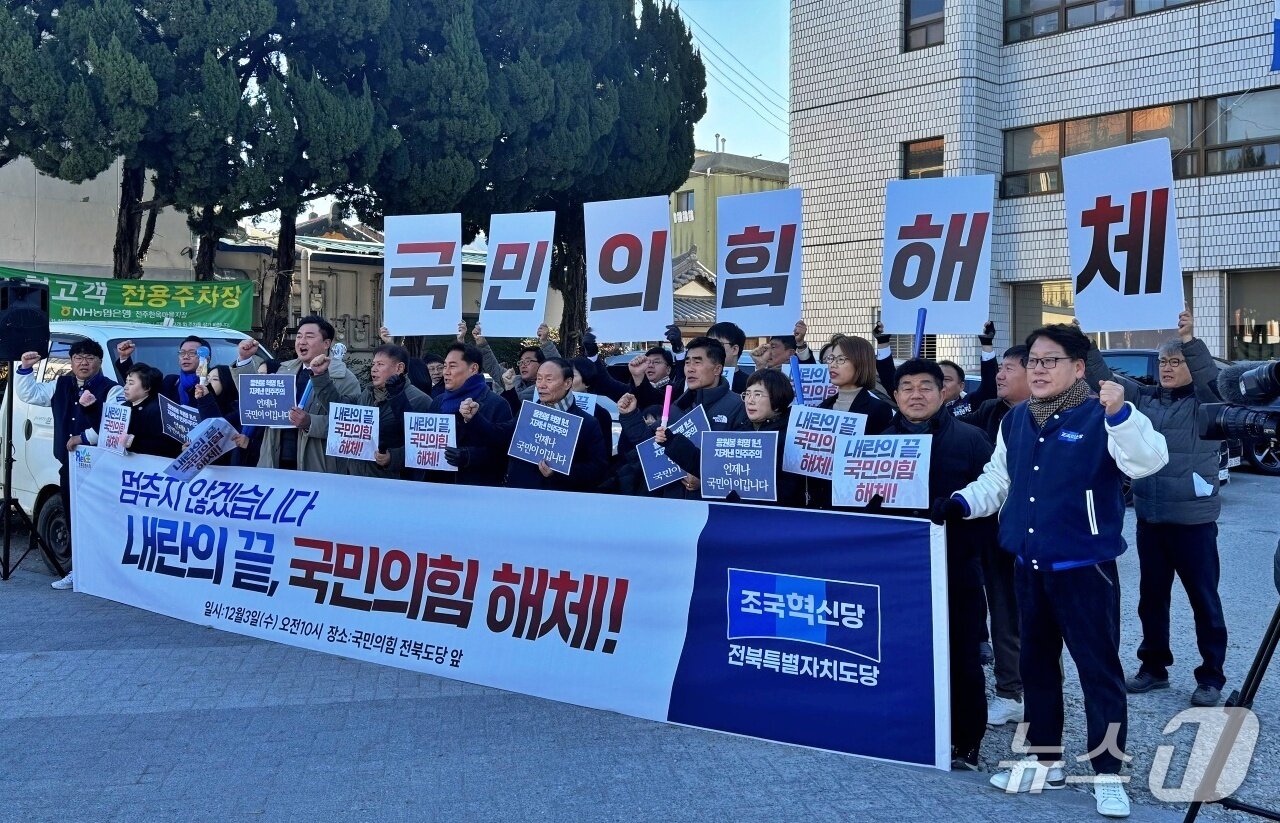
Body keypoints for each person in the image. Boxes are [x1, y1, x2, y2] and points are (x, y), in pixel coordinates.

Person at [938, 323, 1169, 819]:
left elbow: (1148, 461)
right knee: (1036, 669)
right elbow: (998, 480)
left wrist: (1121, 413)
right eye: (1032, 361)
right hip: (1028, 566)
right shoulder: (1016, 420)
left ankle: (1108, 772)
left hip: (1084, 569)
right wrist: (960, 503)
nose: (1038, 370)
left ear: (1078, 367)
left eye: (1050, 361)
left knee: (1098, 673)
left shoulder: (1104, 415)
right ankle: (1045, 759)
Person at [1086, 311, 1228, 708]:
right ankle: (1154, 669)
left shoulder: (1207, 403)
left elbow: (1213, 382)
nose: (1167, 368)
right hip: (1151, 519)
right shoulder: (1145, 399)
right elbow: (1105, 382)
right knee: (1151, 599)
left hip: (1194, 523)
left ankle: (1211, 676)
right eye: (1164, 362)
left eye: (1175, 362)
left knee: (1204, 601)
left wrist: (1190, 341)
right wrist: (1085, 344)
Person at [878, 359, 995, 770]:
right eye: (906, 387)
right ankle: (909, 728)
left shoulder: (972, 440)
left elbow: (993, 503)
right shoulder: (877, 441)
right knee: (901, 652)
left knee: (962, 656)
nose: (915, 394)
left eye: (925, 386)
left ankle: (966, 741)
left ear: (943, 391)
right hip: (896, 572)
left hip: (956, 569)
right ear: (894, 395)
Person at [957, 343, 1031, 727]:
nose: (1001, 375)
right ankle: (1011, 691)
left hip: (1029, 534)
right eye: (998, 368)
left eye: (1009, 368)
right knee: (1002, 613)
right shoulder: (989, 411)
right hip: (987, 528)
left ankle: (1025, 691)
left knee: (1025, 619)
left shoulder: (1049, 416)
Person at [16, 340, 123, 590]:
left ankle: (107, 573)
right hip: (70, 465)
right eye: (78, 358)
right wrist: (25, 368)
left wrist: (84, 438)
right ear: (71, 361)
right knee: (74, 516)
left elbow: (115, 426)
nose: (83, 363)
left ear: (99, 361)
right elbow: (31, 393)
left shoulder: (111, 389)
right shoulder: (61, 384)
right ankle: (79, 571)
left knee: (100, 519)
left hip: (101, 467)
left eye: (89, 358)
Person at [618, 337, 752, 500]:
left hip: (717, 509)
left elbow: (744, 465)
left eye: (697, 362)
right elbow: (650, 446)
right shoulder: (678, 405)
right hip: (673, 502)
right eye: (687, 362)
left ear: (717, 369)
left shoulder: (738, 406)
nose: (689, 369)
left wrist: (705, 479)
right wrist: (630, 415)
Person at [229, 316, 361, 472]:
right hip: (274, 462)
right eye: (299, 336)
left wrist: (310, 423)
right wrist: (244, 360)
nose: (302, 341)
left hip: (317, 467)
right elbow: (253, 398)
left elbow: (352, 427)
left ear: (326, 344)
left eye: (309, 336)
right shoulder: (282, 370)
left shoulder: (344, 378)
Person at [462, 358, 609, 492]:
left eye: (549, 379)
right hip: (518, 497)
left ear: (567, 383)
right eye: (539, 379)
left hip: (559, 503)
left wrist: (559, 472)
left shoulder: (587, 423)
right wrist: (474, 418)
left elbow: (598, 470)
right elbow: (500, 435)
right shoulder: (528, 413)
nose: (541, 385)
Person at [315, 344, 434, 480]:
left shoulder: (419, 400)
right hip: (356, 480)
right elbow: (337, 407)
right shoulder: (367, 394)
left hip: (394, 486)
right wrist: (320, 375)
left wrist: (392, 458)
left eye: (380, 364)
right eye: (373, 364)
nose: (374, 369)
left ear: (399, 368)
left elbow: (425, 448)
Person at [807, 334, 896, 510]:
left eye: (841, 359)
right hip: (821, 505)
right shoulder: (820, 410)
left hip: (857, 505)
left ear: (861, 362)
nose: (832, 364)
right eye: (831, 358)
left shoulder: (878, 410)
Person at [874, 321, 998, 416]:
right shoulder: (917, 402)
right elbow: (889, 378)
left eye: (947, 379)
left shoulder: (972, 403)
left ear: (961, 386)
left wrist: (987, 344)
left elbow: (990, 384)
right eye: (937, 379)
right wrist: (883, 342)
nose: (941, 383)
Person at [436, 343, 513, 486]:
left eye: (452, 366)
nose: (446, 372)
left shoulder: (497, 404)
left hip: (478, 488)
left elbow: (502, 453)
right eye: (444, 366)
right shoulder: (438, 401)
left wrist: (469, 456)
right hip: (439, 487)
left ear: (473, 369)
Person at [738, 369, 806, 507]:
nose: (750, 400)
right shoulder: (740, 430)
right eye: (747, 394)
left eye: (758, 394)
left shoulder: (793, 437)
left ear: (777, 399)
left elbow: (791, 489)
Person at [471, 321, 560, 411]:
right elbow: (493, 367)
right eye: (520, 362)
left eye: (528, 361)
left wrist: (545, 342)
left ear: (541, 365)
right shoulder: (513, 380)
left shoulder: (547, 387)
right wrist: (481, 343)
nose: (523, 365)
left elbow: (557, 366)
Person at [102, 364, 181, 458]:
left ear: (147, 388)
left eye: (131, 383)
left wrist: (134, 443)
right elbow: (104, 433)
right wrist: (90, 408)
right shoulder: (124, 407)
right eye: (126, 382)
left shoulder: (157, 410)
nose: (125, 387)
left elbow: (169, 447)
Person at [114, 335, 210, 406]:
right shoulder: (171, 382)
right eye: (182, 353)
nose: (185, 357)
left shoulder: (214, 383)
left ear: (206, 359)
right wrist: (124, 357)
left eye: (192, 353)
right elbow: (141, 384)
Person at [193, 365, 254, 466]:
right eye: (207, 378)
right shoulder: (200, 404)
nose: (209, 382)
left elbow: (217, 434)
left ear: (227, 382)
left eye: (215, 379)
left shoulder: (238, 412)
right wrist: (190, 449)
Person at [570, 357, 616, 457]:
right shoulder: (549, 405)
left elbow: (603, 458)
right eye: (564, 376)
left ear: (587, 382)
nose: (567, 380)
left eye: (572, 376)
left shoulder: (601, 414)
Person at [707, 320, 750, 393]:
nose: (710, 349)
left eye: (717, 344)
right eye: (707, 344)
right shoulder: (701, 379)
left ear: (734, 349)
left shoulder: (749, 384)